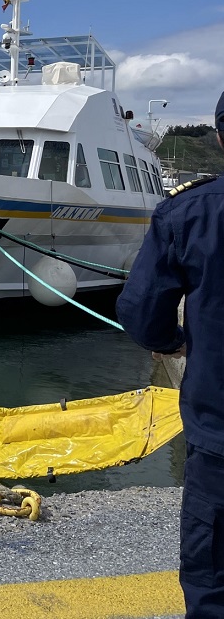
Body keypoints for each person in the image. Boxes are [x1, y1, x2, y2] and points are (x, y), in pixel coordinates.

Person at [117, 89, 224, 617]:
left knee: (213, 574)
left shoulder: (191, 212)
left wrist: (170, 341)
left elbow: (141, 311)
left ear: (220, 136)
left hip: (219, 429)